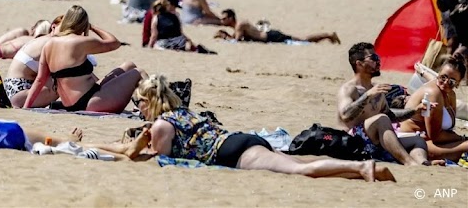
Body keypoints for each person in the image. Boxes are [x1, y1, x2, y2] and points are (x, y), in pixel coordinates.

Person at [122, 75, 394, 181]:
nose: (138, 107)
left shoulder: (160, 125)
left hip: (234, 153)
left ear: (150, 101)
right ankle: (354, 172)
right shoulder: (181, 112)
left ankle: (361, 167)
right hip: (239, 140)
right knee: (298, 161)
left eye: (139, 102)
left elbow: (163, 160)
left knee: (300, 170)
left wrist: (132, 150)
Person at [24, 6, 144, 113]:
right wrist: (92, 27)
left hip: (70, 104)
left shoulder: (48, 45)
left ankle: (143, 104)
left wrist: (26, 106)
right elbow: (115, 43)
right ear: (83, 24)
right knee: (138, 73)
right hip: (90, 102)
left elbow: (39, 80)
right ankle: (156, 107)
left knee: (129, 65)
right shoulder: (81, 42)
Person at [337, 43, 431, 165]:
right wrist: (367, 96)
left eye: (378, 57)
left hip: (373, 141)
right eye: (373, 58)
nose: (378, 61)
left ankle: (422, 164)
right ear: (359, 64)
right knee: (381, 119)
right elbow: (345, 115)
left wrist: (414, 110)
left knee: (417, 140)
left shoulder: (376, 89)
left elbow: (390, 115)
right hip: (352, 142)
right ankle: (409, 163)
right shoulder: (350, 89)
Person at [398, 53, 468, 161]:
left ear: (458, 84)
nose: (445, 83)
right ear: (438, 74)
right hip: (414, 142)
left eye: (452, 82)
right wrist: (462, 138)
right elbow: (435, 136)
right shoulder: (433, 93)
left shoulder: (450, 94)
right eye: (443, 77)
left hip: (431, 141)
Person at [216, 9, 339, 44]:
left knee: (303, 39)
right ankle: (328, 36)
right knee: (302, 39)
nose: (222, 21)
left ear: (231, 18)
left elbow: (237, 41)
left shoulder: (240, 25)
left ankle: (328, 35)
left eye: (224, 18)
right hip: (270, 35)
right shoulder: (238, 26)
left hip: (271, 36)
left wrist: (224, 36)